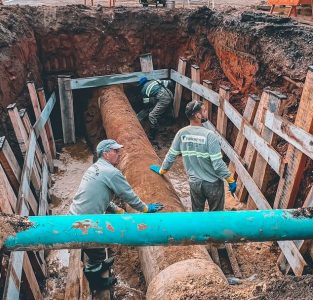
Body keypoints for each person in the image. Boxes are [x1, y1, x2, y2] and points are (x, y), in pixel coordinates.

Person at [68, 139, 164, 290]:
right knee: (98, 250)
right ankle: (96, 282)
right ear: (106, 154)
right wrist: (145, 208)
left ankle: (98, 264)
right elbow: (128, 195)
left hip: (74, 214)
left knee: (96, 248)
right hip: (85, 223)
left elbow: (98, 195)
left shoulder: (95, 168)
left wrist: (113, 207)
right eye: (115, 151)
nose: (119, 153)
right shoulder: (112, 173)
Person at [149, 100, 236, 212]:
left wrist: (162, 170)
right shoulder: (210, 136)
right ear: (198, 115)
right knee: (216, 216)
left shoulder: (181, 133)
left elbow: (171, 155)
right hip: (213, 184)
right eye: (204, 110)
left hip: (195, 184)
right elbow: (218, 164)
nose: (206, 112)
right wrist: (230, 179)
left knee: (197, 215)